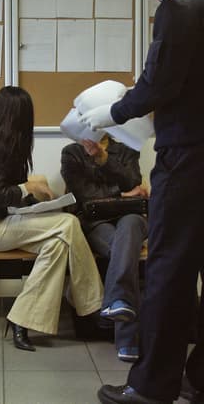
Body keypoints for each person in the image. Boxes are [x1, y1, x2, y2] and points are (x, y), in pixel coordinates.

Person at [80, 0, 204, 403]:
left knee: (168, 269)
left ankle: (150, 386)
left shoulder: (179, 6)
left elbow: (160, 83)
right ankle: (202, 382)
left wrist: (111, 112)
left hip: (191, 156)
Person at [0, 86, 103, 352]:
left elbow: (6, 192)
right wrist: (30, 187)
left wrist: (40, 201)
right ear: (18, 116)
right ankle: (93, 306)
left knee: (57, 245)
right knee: (69, 224)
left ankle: (20, 321)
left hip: (2, 224)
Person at [61, 135, 148, 363]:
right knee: (125, 250)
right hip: (95, 221)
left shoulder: (127, 150)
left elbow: (133, 181)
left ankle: (116, 305)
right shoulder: (72, 153)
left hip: (130, 216)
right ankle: (128, 338)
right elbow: (83, 195)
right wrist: (121, 194)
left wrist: (104, 159)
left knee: (129, 231)